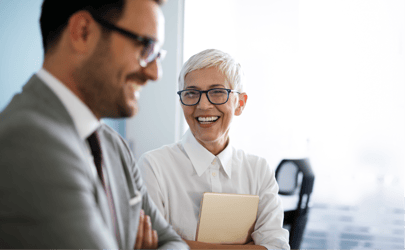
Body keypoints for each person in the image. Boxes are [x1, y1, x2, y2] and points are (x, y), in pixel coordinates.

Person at [0, 0, 188, 249]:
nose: (155, 73)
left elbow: (173, 242)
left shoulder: (115, 146)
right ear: (83, 32)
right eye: (145, 47)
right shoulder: (26, 141)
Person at [138, 49, 290, 250]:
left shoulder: (258, 171)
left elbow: (277, 247)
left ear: (240, 103)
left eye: (217, 92)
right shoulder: (154, 167)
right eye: (191, 93)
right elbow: (152, 246)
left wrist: (181, 244)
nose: (203, 105)